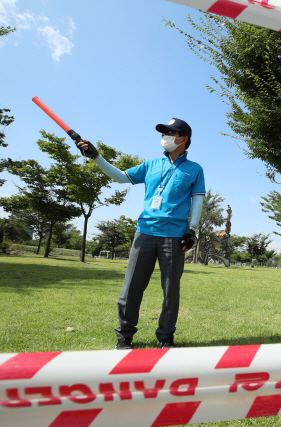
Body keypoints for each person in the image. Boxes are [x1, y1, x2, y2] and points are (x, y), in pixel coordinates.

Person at [76, 118, 205, 349]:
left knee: (170, 290)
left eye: (170, 132)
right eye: (164, 132)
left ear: (183, 138)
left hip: (174, 237)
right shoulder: (151, 164)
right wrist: (96, 156)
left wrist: (192, 230)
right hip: (144, 233)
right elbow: (119, 177)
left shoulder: (194, 169)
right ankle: (124, 336)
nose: (165, 136)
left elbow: (197, 201)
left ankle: (166, 337)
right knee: (131, 287)